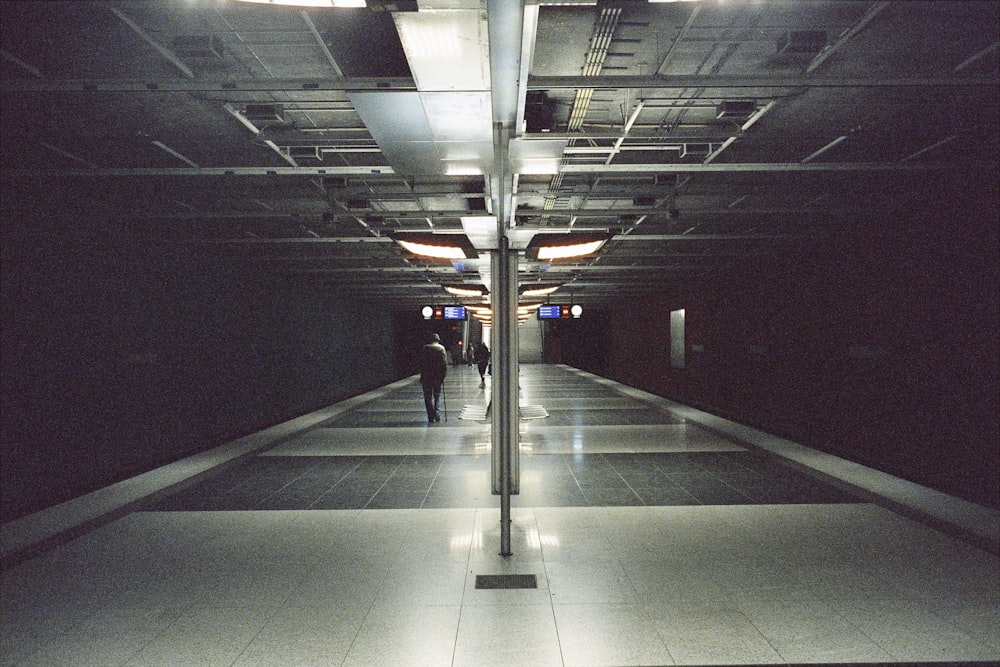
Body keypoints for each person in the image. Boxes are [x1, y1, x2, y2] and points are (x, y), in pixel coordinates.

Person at [418, 333, 449, 423]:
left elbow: (421, 362)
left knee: (427, 397)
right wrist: (443, 375)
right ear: (438, 340)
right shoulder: (441, 348)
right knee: (437, 395)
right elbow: (444, 364)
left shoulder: (425, 348)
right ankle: (437, 414)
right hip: (437, 376)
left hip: (426, 376)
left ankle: (430, 416)